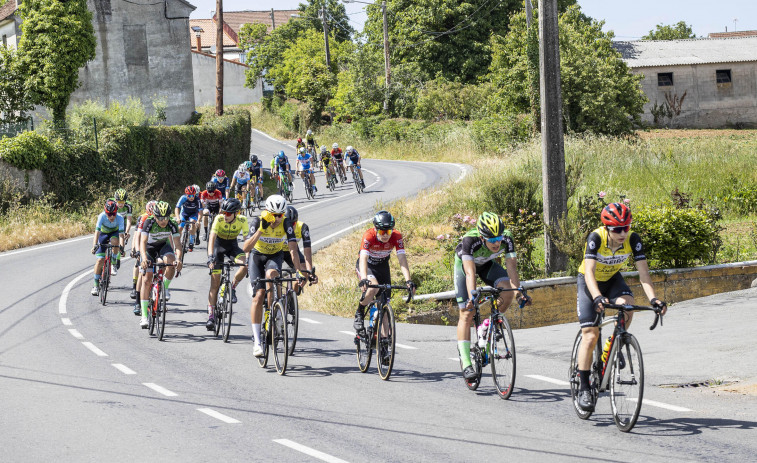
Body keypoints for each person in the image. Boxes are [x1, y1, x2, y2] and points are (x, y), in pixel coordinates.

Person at [575, 202, 667, 412]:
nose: (623, 233)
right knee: (590, 335)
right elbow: (589, 272)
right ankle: (584, 388)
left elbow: (643, 273)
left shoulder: (633, 239)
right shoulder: (596, 237)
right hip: (589, 282)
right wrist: (597, 297)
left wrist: (654, 299)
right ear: (607, 228)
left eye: (626, 227)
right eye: (617, 229)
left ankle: (615, 343)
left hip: (613, 279)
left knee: (628, 306)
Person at [453, 212, 531, 380]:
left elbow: (512, 269)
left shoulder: (507, 238)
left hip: (487, 265)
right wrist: (472, 296)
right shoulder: (470, 241)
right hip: (465, 268)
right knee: (467, 312)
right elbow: (470, 273)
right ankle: (466, 363)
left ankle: (487, 325)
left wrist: (518, 293)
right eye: (492, 240)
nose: (497, 243)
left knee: (507, 291)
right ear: (482, 237)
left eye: (499, 238)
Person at [242, 194, 303, 357]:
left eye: (280, 215)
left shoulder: (286, 223)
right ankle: (257, 341)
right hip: (257, 257)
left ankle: (273, 312)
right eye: (274, 215)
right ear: (267, 212)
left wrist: (298, 272)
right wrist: (261, 230)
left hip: (274, 256)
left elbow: (292, 250)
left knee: (272, 274)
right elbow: (246, 248)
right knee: (259, 295)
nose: (277, 219)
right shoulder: (257, 222)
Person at [354, 211, 415, 334]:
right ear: (376, 229)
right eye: (382, 232)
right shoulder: (369, 236)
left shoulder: (396, 236)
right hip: (367, 266)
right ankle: (359, 312)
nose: (386, 235)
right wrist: (364, 279)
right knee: (372, 289)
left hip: (383, 267)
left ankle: (384, 343)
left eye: (388, 231)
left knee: (384, 308)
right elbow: (363, 259)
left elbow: (402, 259)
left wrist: (408, 280)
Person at [206, 198, 249, 331]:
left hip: (232, 247)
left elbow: (247, 241)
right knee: (215, 284)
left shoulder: (243, 220)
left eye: (228, 214)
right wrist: (210, 257)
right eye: (223, 212)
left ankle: (233, 287)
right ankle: (211, 316)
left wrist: (247, 257)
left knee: (245, 265)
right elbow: (212, 238)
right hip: (218, 247)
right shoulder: (218, 219)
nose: (225, 215)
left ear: (236, 213)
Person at [138, 201, 182, 328]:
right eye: (160, 218)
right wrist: (144, 258)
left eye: (166, 217)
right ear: (155, 216)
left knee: (171, 263)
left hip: (163, 246)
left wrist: (178, 258)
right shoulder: (149, 222)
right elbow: (143, 242)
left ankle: (164, 287)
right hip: (149, 248)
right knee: (147, 278)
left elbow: (177, 244)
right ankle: (144, 316)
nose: (163, 221)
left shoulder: (172, 223)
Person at [90, 199, 125, 295]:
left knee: (115, 241)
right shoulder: (101, 216)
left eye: (113, 214)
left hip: (114, 233)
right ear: (105, 213)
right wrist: (94, 245)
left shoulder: (120, 218)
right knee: (100, 261)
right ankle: (96, 285)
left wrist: (122, 248)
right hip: (103, 234)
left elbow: (121, 235)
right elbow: (97, 232)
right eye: (109, 214)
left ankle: (113, 263)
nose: (112, 216)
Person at [281, 205, 319, 292]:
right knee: (275, 275)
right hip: (278, 251)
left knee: (304, 273)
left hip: (293, 251)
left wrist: (310, 272)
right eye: (288, 224)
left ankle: (292, 296)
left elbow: (307, 251)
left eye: (293, 223)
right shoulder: (278, 227)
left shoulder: (303, 227)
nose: (291, 226)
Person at [130, 200, 157, 311]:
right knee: (142, 272)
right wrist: (136, 251)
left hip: (155, 244)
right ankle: (137, 301)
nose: (152, 217)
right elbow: (137, 236)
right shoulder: (143, 218)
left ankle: (160, 297)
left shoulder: (161, 218)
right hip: (143, 244)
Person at [110, 188, 133, 272]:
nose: (120, 204)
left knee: (121, 238)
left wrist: (127, 231)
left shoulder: (128, 205)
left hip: (122, 222)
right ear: (115, 200)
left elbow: (129, 220)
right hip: (112, 221)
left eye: (122, 202)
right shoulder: (110, 203)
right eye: (119, 202)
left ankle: (118, 257)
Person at [175, 185, 201, 252]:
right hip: (184, 213)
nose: (191, 197)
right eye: (189, 196)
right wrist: (178, 218)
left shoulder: (197, 199)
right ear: (186, 195)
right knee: (180, 228)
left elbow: (200, 211)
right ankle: (177, 244)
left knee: (193, 223)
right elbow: (177, 208)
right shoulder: (183, 198)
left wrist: (198, 221)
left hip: (193, 214)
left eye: (193, 195)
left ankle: (191, 242)